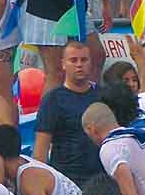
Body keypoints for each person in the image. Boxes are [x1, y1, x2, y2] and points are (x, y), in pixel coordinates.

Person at [32, 40, 102, 186]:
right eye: (73, 60)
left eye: (84, 60)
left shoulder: (103, 97)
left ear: (91, 63)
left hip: (101, 180)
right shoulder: (52, 100)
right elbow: (41, 150)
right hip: (67, 182)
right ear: (63, 64)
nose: (79, 64)